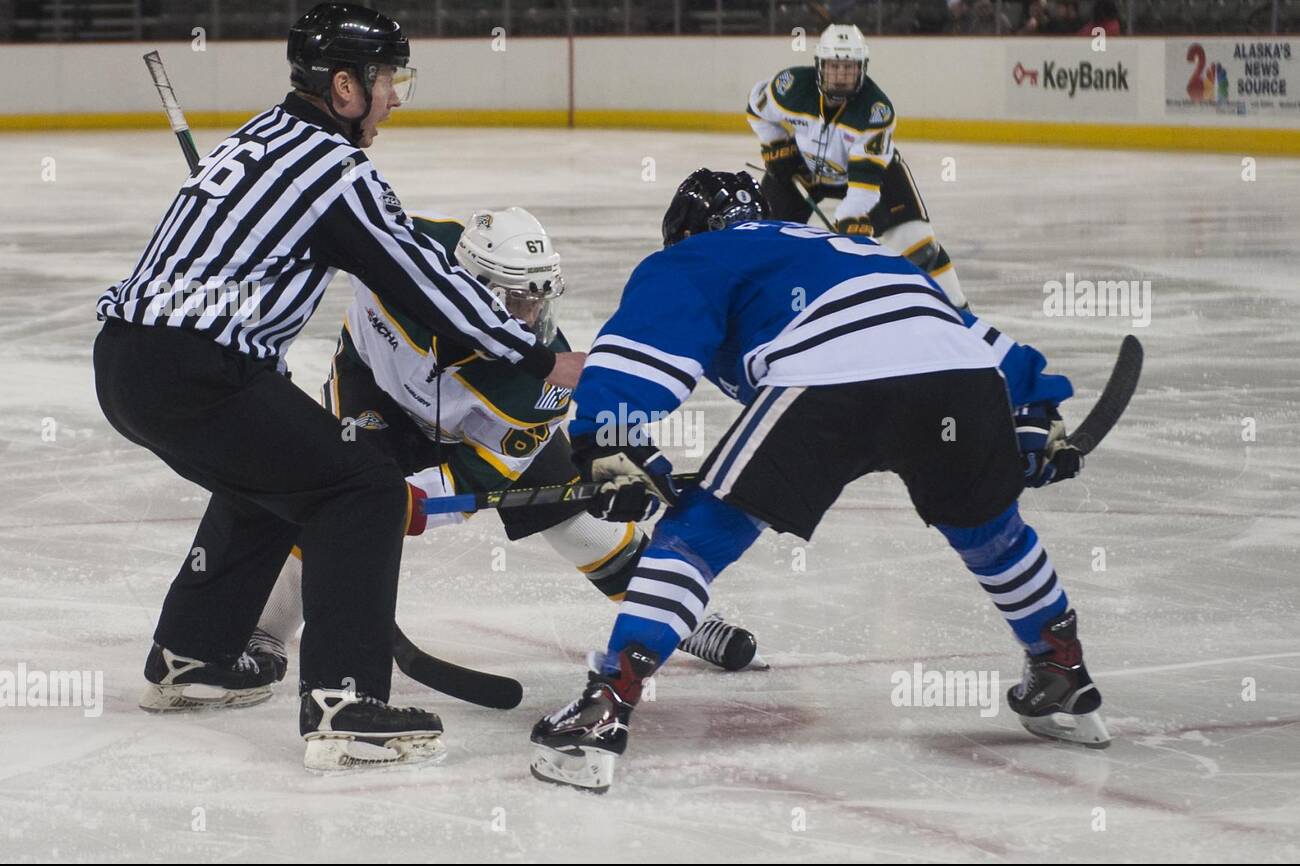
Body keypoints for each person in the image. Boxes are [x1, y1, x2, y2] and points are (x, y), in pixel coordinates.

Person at [92, 3, 582, 772]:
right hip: (194, 369)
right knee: (364, 489)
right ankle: (346, 705)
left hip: (129, 364)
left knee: (269, 481)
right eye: (388, 82)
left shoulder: (260, 136)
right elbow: (425, 280)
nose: (394, 98)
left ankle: (192, 656)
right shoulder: (335, 171)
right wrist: (539, 355)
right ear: (344, 86)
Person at [529, 170, 1107, 794]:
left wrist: (607, 437)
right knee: (991, 532)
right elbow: (972, 336)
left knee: (699, 535)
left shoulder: (704, 251)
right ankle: (1060, 674)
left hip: (828, 374)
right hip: (959, 379)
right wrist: (1033, 416)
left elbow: (644, 349)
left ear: (686, 232)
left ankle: (605, 707)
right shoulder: (865, 251)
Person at [250, 208, 762, 675]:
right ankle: (265, 631)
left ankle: (676, 616)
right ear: (472, 288)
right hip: (374, 392)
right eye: (516, 301)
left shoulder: (538, 384)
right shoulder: (409, 255)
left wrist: (414, 503)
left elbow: (480, 475)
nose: (530, 318)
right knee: (340, 503)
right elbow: (334, 227)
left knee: (575, 523)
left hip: (476, 434)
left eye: (538, 301)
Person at [747, 23, 969, 309]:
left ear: (862, 69)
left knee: (920, 248)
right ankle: (758, 311)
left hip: (870, 177)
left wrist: (848, 217)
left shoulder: (876, 111)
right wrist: (775, 144)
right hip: (805, 172)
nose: (840, 76)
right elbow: (757, 109)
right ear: (818, 66)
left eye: (848, 68)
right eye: (833, 67)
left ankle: (961, 314)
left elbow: (864, 184)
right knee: (760, 241)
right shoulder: (790, 86)